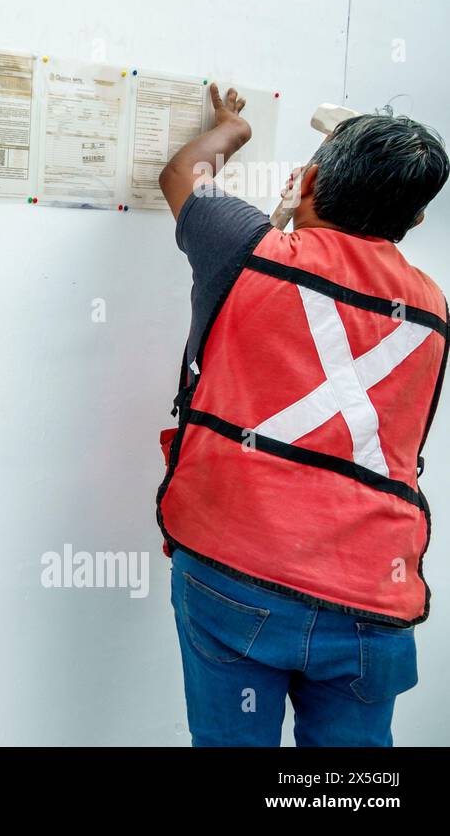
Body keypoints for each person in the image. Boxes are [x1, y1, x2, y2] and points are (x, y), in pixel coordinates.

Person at [155, 84, 450, 746]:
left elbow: (181, 175)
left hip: (238, 573)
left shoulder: (242, 247)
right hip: (373, 596)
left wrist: (233, 128)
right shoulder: (432, 308)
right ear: (416, 220)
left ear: (309, 178)